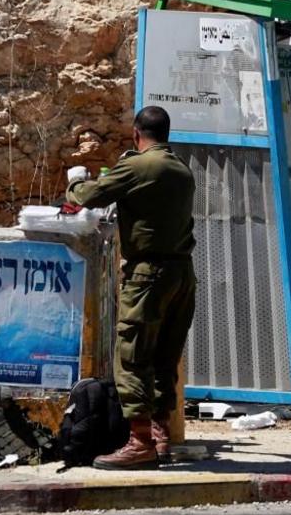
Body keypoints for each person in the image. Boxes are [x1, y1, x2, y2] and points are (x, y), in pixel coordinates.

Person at [64, 105, 197, 470]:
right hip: (181, 274)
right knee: (165, 357)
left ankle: (139, 442)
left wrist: (75, 181)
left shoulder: (139, 165)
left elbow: (90, 195)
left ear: (137, 135)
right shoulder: (181, 169)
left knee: (133, 355)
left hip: (148, 274)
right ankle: (160, 435)